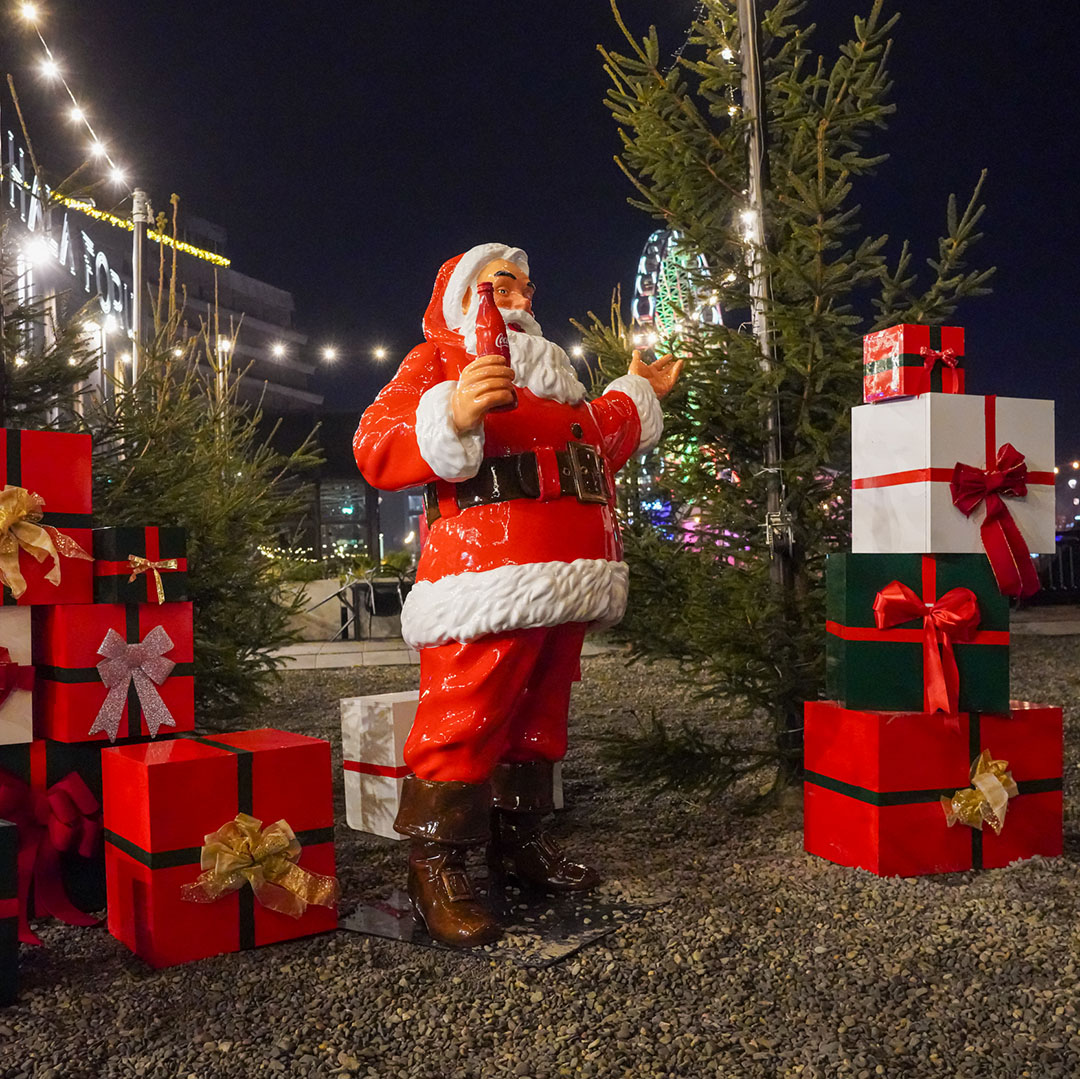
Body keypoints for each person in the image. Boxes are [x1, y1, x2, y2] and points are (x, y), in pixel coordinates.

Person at [353, 243, 681, 946]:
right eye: (504, 285)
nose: (522, 298)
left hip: (569, 572)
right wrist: (452, 411)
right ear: (466, 296)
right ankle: (436, 863)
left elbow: (597, 436)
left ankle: (519, 840)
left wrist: (638, 390)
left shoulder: (553, 375)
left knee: (540, 712)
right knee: (464, 714)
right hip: (484, 574)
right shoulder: (438, 361)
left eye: (527, 288)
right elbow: (375, 441)